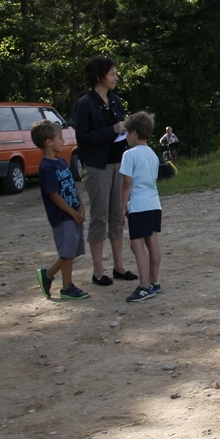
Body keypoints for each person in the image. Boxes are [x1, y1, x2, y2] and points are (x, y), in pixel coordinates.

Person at [73, 55, 135, 288]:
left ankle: (119, 266)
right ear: (100, 77)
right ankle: (98, 271)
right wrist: (110, 130)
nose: (116, 78)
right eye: (112, 74)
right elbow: (83, 139)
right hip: (98, 168)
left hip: (119, 164)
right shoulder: (85, 104)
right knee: (99, 217)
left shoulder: (116, 101)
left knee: (118, 216)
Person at [31, 119, 88, 301]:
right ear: (48, 142)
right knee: (67, 252)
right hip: (63, 217)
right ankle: (66, 287)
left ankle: (48, 274)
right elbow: (54, 196)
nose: (63, 141)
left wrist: (80, 205)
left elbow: (71, 185)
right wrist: (72, 214)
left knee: (75, 250)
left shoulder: (62, 161)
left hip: (74, 215)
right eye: (59, 138)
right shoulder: (47, 167)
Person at [118, 111, 164, 303]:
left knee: (136, 244)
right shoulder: (153, 154)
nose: (126, 137)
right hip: (154, 204)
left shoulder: (129, 154)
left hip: (138, 205)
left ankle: (144, 286)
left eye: (127, 133)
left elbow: (127, 183)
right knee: (152, 242)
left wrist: (122, 208)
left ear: (134, 132)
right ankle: (154, 281)